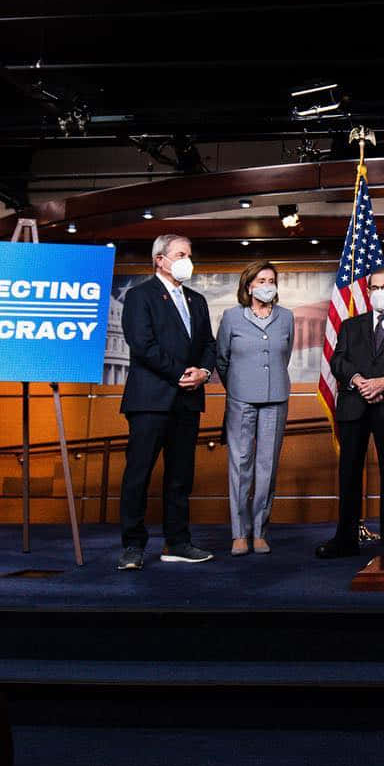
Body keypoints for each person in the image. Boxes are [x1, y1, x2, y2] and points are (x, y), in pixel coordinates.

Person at [116, 233, 216, 569]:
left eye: (189, 254)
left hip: (188, 401)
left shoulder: (197, 300)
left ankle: (178, 542)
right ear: (160, 259)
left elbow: (209, 344)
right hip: (150, 400)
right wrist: (181, 373)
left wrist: (203, 371)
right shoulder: (139, 296)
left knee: (180, 477)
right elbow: (142, 344)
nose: (188, 260)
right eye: (181, 254)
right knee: (138, 475)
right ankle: (133, 546)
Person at [317, 267, 384, 561]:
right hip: (354, 407)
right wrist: (358, 380)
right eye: (375, 288)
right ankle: (345, 539)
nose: (381, 293)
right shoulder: (351, 326)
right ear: (368, 292)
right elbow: (338, 361)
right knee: (349, 474)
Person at [215, 261, 293, 557]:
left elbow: (284, 355)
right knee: (240, 464)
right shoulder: (232, 317)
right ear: (248, 286)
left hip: (276, 399)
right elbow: (222, 360)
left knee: (267, 466)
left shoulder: (286, 317)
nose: (267, 285)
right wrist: (238, 384)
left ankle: (260, 531)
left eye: (271, 280)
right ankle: (239, 534)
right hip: (240, 399)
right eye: (261, 280)